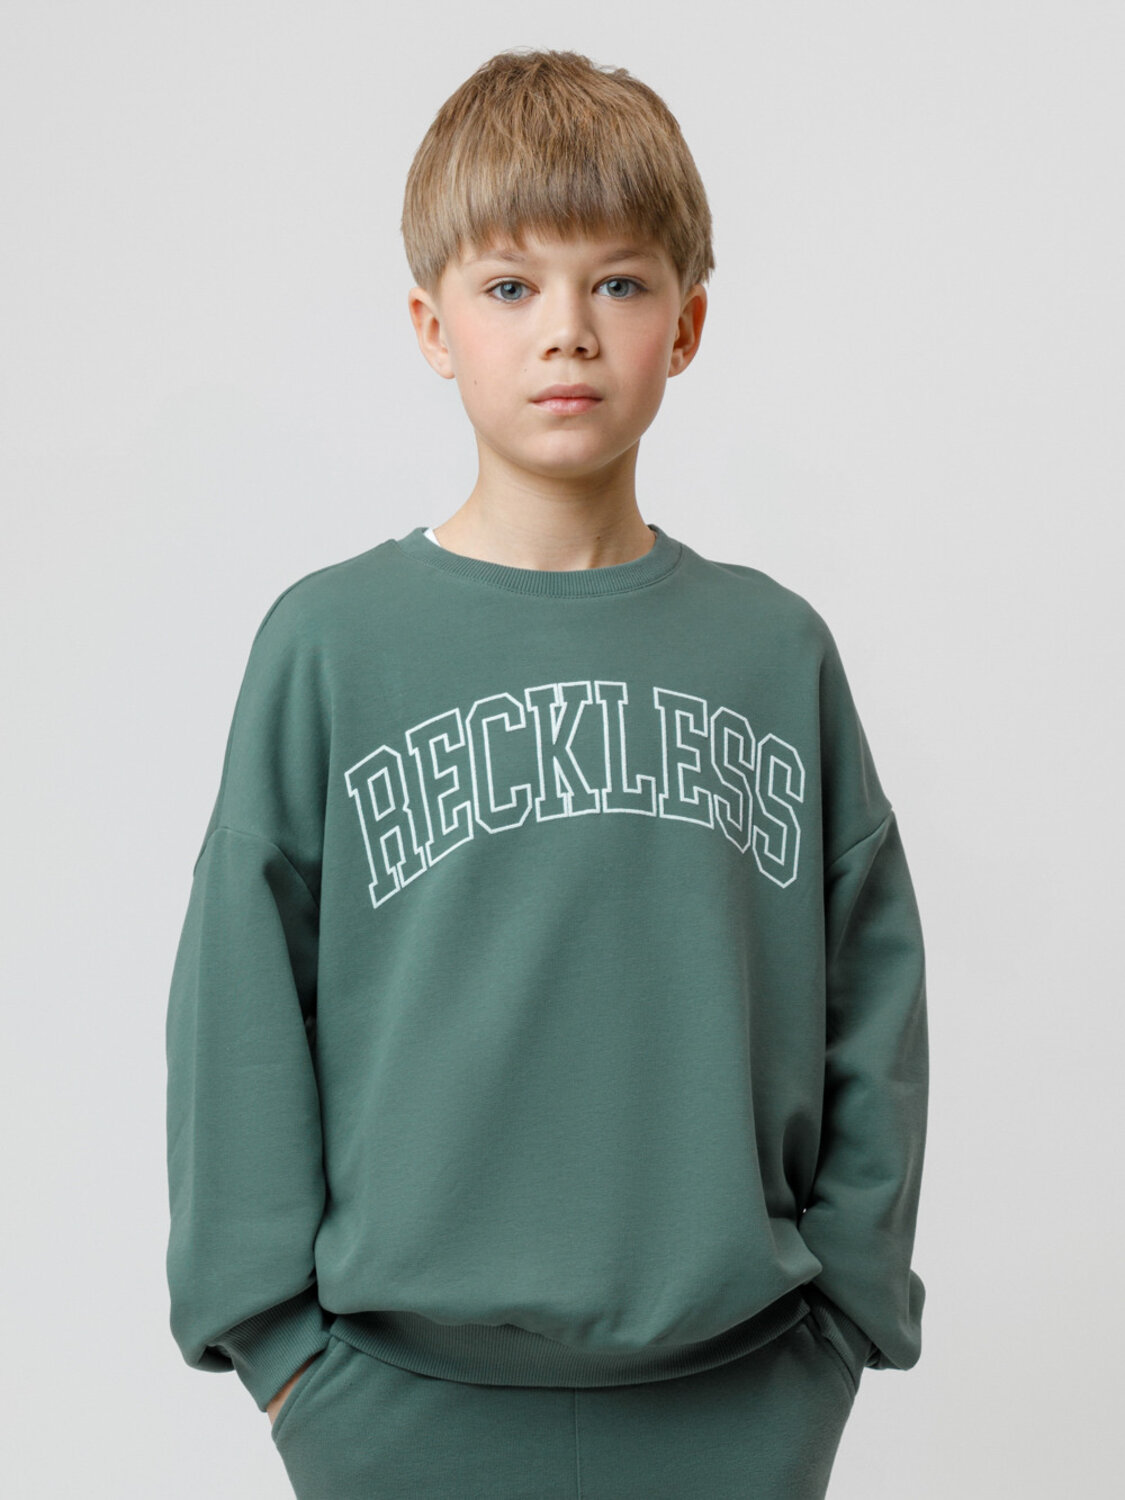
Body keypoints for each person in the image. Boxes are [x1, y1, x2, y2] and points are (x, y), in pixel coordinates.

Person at [164, 47, 929, 1500]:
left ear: (685, 323)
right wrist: (279, 1352)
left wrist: (845, 1323)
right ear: (432, 325)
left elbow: (871, 994)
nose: (566, 333)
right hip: (392, 1403)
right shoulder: (332, 643)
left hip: (740, 1396)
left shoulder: (773, 651)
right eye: (510, 285)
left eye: (618, 284)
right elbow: (239, 1005)